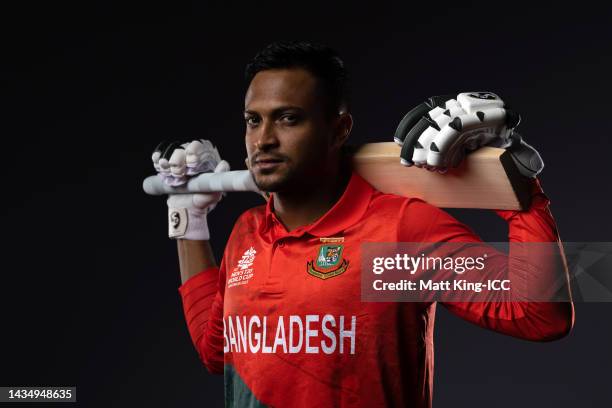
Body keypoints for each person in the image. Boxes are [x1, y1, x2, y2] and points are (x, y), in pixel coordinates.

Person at [152, 41, 574, 407]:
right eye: (253, 120)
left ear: (339, 129)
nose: (263, 140)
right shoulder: (248, 232)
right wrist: (189, 218)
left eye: (288, 118)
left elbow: (539, 316)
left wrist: (516, 184)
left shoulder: (395, 235)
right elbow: (219, 353)